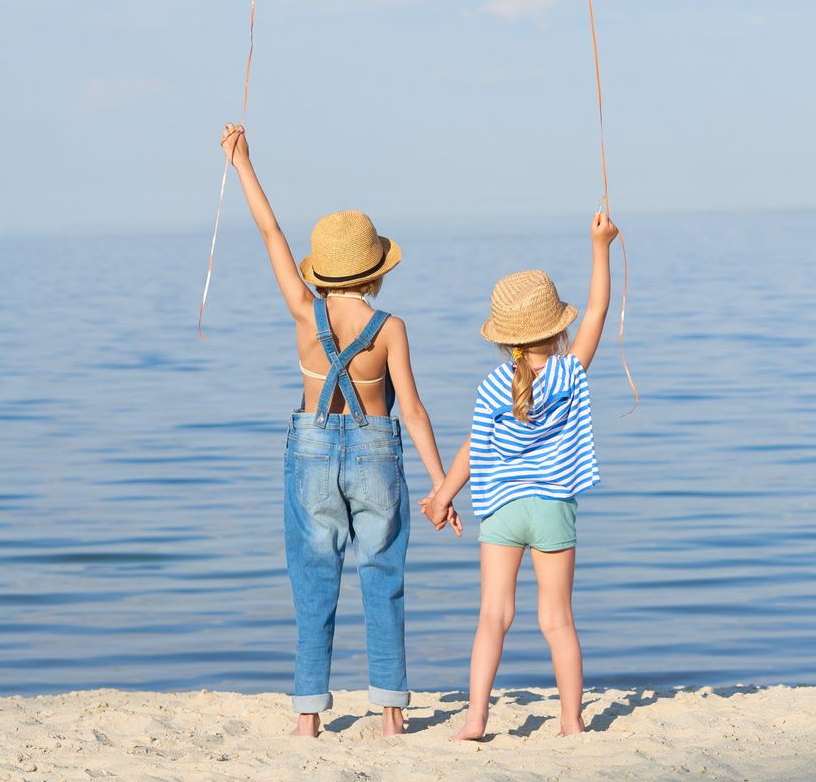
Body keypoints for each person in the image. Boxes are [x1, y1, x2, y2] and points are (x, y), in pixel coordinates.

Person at [220, 124, 461, 739]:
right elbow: (413, 410)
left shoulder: (305, 312)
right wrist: (441, 488)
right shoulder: (390, 328)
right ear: (377, 268)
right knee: (383, 578)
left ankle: (308, 719)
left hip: (312, 451)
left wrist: (243, 162)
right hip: (378, 453)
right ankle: (391, 715)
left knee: (312, 581)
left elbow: (270, 233)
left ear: (322, 271)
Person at [421, 211, 619, 739]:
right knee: (557, 620)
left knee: (493, 617)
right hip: (553, 507)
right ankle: (572, 721)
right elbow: (599, 307)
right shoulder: (569, 372)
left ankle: (475, 719)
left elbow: (470, 450)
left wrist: (442, 496)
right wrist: (599, 245)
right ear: (558, 330)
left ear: (504, 338)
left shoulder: (491, 388)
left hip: (503, 509)